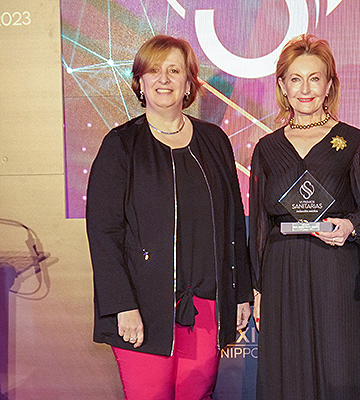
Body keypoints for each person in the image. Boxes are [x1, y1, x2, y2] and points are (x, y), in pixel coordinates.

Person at [86, 35, 252, 400]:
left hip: (206, 308)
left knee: (197, 395)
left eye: (174, 70)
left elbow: (234, 224)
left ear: (189, 82)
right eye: (154, 71)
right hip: (142, 310)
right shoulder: (121, 145)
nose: (164, 79)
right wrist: (122, 306)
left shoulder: (214, 141)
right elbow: (104, 232)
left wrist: (239, 294)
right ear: (140, 82)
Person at [249, 34, 360, 400]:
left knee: (343, 367)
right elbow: (259, 220)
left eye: (315, 78)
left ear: (329, 85)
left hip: (338, 270)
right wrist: (258, 286)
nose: (305, 88)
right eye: (295, 78)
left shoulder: (354, 142)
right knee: (286, 375)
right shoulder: (267, 148)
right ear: (282, 87)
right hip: (282, 271)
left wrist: (352, 226)